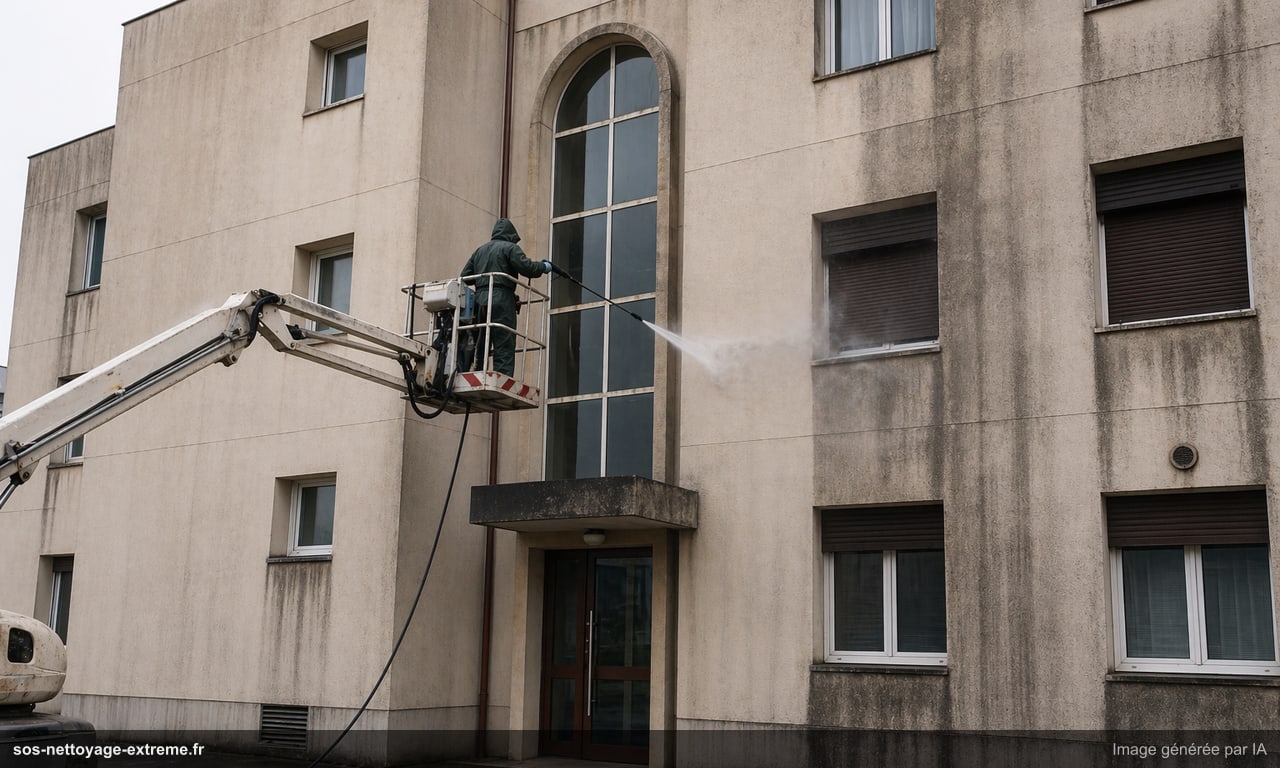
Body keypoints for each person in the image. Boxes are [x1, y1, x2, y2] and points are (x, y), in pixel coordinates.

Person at [460, 218, 552, 377]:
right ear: (511, 234)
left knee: (481, 340)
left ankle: (478, 372)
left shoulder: (479, 251)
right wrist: (542, 267)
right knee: (504, 341)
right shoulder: (510, 248)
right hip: (502, 300)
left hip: (480, 300)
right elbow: (527, 268)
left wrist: (484, 281)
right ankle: (502, 377)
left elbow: (465, 277)